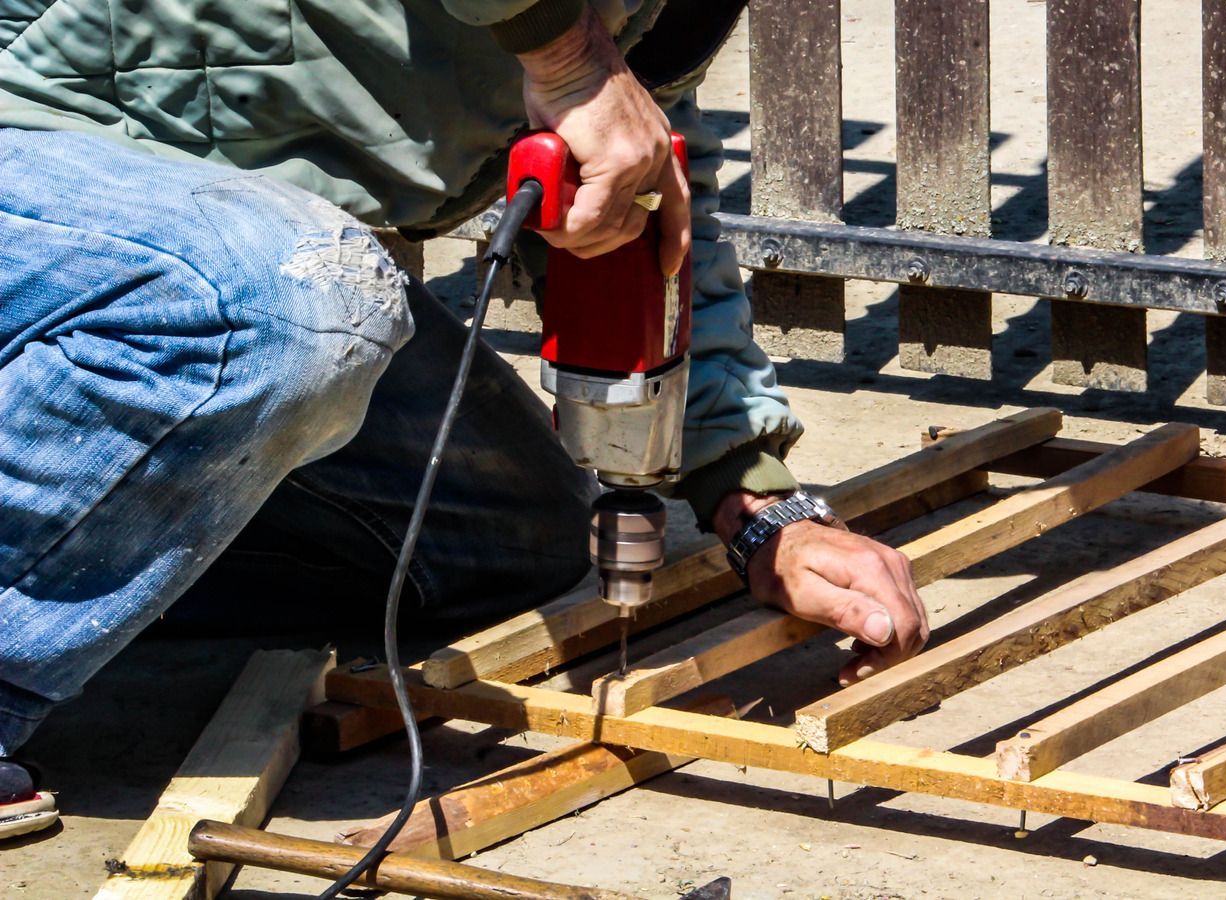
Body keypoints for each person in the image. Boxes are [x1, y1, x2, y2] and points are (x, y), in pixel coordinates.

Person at [0, 0, 928, 837]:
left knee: (497, 537)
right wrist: (571, 61)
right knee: (287, 304)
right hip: (34, 146)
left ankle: (74, 570)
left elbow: (640, 172)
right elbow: (588, 82)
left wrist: (753, 498)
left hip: (200, 226)